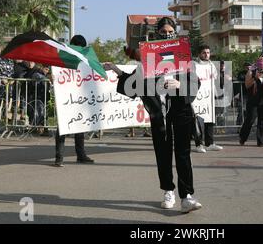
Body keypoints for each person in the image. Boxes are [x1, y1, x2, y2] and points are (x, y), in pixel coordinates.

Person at [104, 17, 202, 213]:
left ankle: (186, 196)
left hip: (181, 111)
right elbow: (133, 84)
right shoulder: (147, 60)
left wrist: (181, 85)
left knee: (183, 153)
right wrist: (116, 70)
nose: (166, 35)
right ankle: (168, 191)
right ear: (157, 34)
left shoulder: (184, 57)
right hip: (159, 113)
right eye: (163, 32)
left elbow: (195, 83)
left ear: (175, 33)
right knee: (163, 153)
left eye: (170, 32)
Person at [54, 35, 94, 167]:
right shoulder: (64, 57)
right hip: (66, 98)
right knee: (63, 127)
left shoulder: (84, 59)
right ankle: (59, 157)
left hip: (79, 97)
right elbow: (56, 72)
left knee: (80, 125)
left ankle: (80, 155)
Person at [239, 57, 263, 147]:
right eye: (260, 67)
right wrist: (254, 78)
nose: (262, 69)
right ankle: (242, 138)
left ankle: (261, 141)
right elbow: (247, 86)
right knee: (250, 120)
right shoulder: (250, 72)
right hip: (253, 100)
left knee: (262, 121)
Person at [193, 44, 223, 153]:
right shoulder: (194, 65)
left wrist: (216, 95)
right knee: (198, 122)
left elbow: (214, 81)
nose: (206, 55)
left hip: (209, 97)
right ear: (199, 54)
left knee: (210, 121)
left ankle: (210, 143)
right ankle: (198, 144)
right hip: (197, 97)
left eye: (208, 52)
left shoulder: (212, 66)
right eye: (204, 53)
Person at [0, 46, 15, 123]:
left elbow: (13, 73)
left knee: (7, 102)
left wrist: (12, 79)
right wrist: (1, 78)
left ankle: (4, 116)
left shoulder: (11, 61)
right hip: (1, 86)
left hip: (9, 86)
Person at [234, 62, 251, 127]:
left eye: (249, 66)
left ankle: (248, 125)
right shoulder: (241, 73)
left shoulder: (253, 72)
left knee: (249, 111)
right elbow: (241, 78)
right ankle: (239, 125)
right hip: (243, 94)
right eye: (246, 66)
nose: (247, 67)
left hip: (250, 94)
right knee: (241, 110)